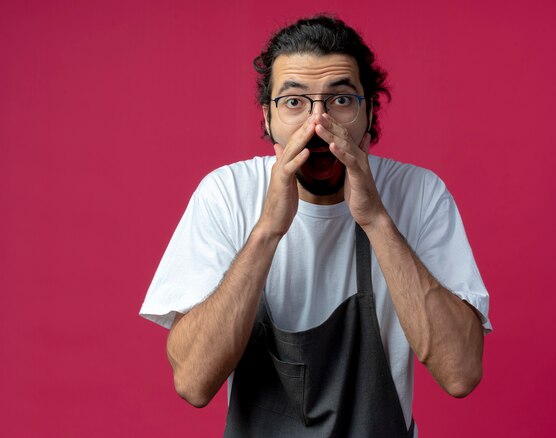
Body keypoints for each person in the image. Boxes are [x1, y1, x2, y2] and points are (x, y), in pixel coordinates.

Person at [140, 15, 492, 437]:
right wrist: (268, 229)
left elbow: (461, 373)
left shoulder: (418, 194)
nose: (318, 124)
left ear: (369, 112)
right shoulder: (226, 195)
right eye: (294, 102)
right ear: (267, 118)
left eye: (340, 100)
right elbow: (194, 383)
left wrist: (376, 220)